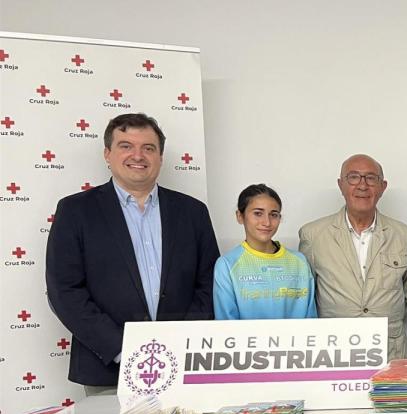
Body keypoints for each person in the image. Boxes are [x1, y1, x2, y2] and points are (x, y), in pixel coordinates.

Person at [46, 113, 219, 391]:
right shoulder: (76, 211)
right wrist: (123, 350)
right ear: (107, 154)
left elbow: (210, 284)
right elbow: (64, 290)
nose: (137, 155)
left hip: (184, 363)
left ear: (160, 157)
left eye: (148, 148)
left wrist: (183, 342)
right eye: (126, 146)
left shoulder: (192, 212)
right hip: (107, 368)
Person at [298, 153, 407, 414]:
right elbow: (308, 293)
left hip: (389, 351)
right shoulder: (313, 235)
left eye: (371, 178)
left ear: (383, 187)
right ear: (340, 184)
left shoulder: (404, 235)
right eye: (354, 177)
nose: (362, 185)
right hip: (335, 356)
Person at [213, 184, 316, 320]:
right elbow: (226, 324)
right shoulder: (227, 265)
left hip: (296, 341)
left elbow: (312, 320)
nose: (266, 222)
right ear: (240, 216)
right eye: (258, 213)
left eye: (274, 215)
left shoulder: (299, 261)